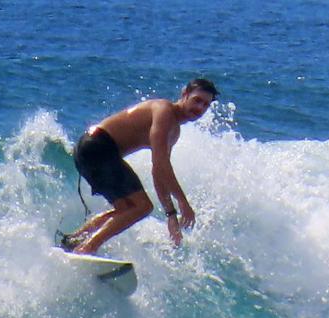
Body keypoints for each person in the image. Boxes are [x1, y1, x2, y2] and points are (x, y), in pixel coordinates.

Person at [61, 78, 219, 255]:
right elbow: (161, 164)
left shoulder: (174, 132)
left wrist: (171, 215)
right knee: (142, 207)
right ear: (185, 94)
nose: (200, 108)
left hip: (91, 151)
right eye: (197, 100)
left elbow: (158, 172)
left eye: (205, 105)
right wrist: (183, 202)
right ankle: (87, 248)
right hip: (97, 146)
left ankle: (73, 240)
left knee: (126, 209)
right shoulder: (164, 111)